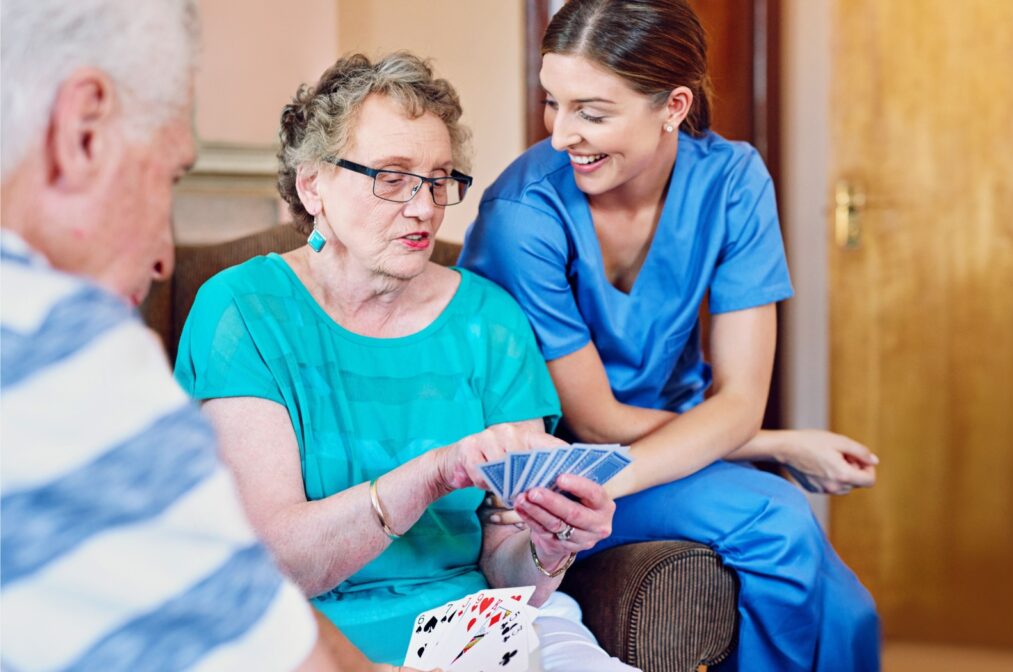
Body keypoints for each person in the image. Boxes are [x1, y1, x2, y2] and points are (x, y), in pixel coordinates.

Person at [172, 52, 636, 671]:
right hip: (302, 636)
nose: (423, 207)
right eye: (391, 177)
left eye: (440, 178)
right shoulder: (242, 311)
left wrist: (550, 546)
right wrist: (433, 474)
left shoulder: (489, 321)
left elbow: (507, 571)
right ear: (313, 185)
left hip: (471, 635)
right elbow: (275, 566)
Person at [459, 0, 881, 670]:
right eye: (552, 103)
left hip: (664, 452)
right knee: (776, 519)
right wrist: (775, 445)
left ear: (674, 106)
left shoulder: (733, 179)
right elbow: (594, 425)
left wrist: (736, 439)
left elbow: (740, 395)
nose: (563, 133)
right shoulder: (523, 214)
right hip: (551, 474)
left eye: (592, 112)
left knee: (849, 608)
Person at [0, 1, 420, 670]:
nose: (166, 258)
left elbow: (242, 601)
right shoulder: (62, 347)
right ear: (83, 132)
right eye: (168, 176)